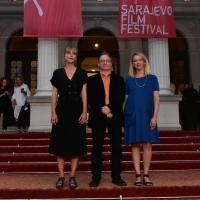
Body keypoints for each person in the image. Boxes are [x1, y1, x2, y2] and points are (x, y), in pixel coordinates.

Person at [49, 45, 88, 190]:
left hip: (77, 110)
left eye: (74, 53)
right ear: (64, 55)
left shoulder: (82, 73)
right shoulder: (57, 73)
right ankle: (61, 176)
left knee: (75, 143)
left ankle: (72, 176)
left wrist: (85, 112)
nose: (71, 55)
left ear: (76, 56)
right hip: (61, 109)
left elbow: (84, 93)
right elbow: (54, 94)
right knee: (60, 143)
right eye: (68, 53)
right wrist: (53, 112)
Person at [87, 51, 127, 187]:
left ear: (111, 64)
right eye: (102, 61)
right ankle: (96, 177)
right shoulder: (91, 80)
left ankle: (116, 177)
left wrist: (110, 109)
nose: (105, 63)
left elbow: (121, 97)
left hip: (114, 116)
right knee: (97, 148)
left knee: (117, 147)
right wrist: (104, 109)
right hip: (98, 116)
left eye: (107, 61)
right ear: (98, 64)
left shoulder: (119, 79)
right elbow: (91, 97)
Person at [123, 52, 160, 186]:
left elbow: (156, 99)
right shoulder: (128, 80)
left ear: (144, 62)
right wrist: (122, 116)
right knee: (134, 144)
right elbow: (125, 99)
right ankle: (138, 175)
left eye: (140, 60)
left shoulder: (152, 79)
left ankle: (146, 174)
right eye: (135, 60)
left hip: (147, 114)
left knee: (147, 144)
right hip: (132, 115)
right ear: (132, 64)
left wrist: (155, 117)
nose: (138, 62)